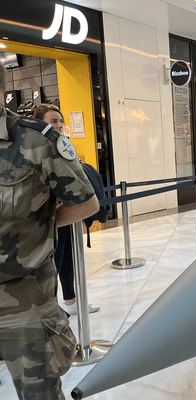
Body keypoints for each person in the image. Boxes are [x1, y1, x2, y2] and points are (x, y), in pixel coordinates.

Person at [0, 63, 99, 399]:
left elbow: (87, 203)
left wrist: (41, 223)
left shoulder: (35, 140)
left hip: (24, 300)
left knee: (38, 393)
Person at [33, 104, 100, 315]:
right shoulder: (32, 149)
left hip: (67, 210)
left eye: (61, 121)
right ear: (38, 123)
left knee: (69, 257)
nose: (60, 125)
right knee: (54, 261)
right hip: (48, 215)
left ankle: (71, 301)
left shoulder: (61, 144)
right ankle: (50, 309)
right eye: (54, 121)